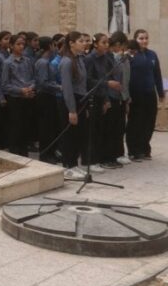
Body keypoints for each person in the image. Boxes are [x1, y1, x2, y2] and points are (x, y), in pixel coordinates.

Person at [85, 33, 121, 170]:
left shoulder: (106, 58)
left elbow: (106, 76)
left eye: (107, 43)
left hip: (102, 97)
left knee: (102, 129)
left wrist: (106, 99)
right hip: (91, 98)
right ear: (95, 44)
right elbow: (88, 81)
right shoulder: (89, 59)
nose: (107, 45)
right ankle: (91, 161)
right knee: (92, 131)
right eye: (104, 43)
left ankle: (101, 158)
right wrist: (108, 84)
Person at [127, 29, 164, 160]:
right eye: (141, 38)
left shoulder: (152, 55)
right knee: (136, 122)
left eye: (146, 38)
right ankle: (133, 150)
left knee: (149, 122)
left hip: (150, 94)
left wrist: (160, 92)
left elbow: (157, 75)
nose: (144, 41)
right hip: (136, 94)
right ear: (135, 40)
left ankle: (144, 148)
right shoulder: (131, 55)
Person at [59, 32, 88, 180]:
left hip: (81, 99)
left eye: (85, 41)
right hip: (71, 101)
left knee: (78, 134)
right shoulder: (67, 61)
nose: (84, 43)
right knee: (69, 135)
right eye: (81, 41)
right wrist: (72, 110)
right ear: (71, 43)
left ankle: (74, 164)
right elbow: (67, 87)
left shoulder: (80, 59)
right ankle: (67, 166)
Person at [1, 35, 35, 157]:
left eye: (23, 44)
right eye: (18, 44)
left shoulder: (27, 61)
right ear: (11, 46)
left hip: (27, 96)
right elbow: (5, 85)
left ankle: (24, 151)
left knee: (26, 125)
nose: (21, 46)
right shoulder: (8, 63)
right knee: (16, 125)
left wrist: (30, 88)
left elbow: (33, 78)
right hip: (15, 98)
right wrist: (21, 90)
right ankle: (14, 151)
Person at [34, 37, 61, 163]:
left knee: (52, 126)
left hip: (50, 95)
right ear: (50, 46)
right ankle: (45, 154)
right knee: (46, 127)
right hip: (44, 96)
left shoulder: (47, 61)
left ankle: (51, 152)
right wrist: (59, 87)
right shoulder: (43, 62)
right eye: (54, 45)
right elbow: (43, 83)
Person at [109, 31, 132, 165]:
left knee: (120, 127)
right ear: (118, 44)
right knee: (112, 128)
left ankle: (119, 153)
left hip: (122, 96)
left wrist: (127, 97)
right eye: (123, 46)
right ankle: (111, 154)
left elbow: (126, 79)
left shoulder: (124, 59)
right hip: (112, 96)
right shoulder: (112, 58)